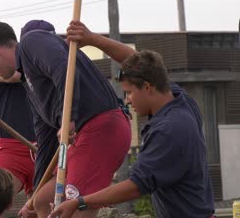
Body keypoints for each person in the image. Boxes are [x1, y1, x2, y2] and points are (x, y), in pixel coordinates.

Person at [47, 21, 215, 218]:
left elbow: (135, 186)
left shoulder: (170, 129)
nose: (127, 100)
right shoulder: (181, 101)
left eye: (129, 93)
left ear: (147, 87)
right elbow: (137, 62)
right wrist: (92, 39)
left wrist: (80, 202)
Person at [0, 21, 131, 218]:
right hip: (83, 137)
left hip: (101, 126)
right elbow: (46, 141)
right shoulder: (30, 86)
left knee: (76, 207)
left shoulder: (32, 42)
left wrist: (70, 117)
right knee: (42, 201)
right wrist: (32, 200)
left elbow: (64, 68)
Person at [0, 19, 57, 198]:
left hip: (47, 148)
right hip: (11, 149)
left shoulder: (56, 68)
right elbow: (15, 75)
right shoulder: (0, 70)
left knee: (42, 206)